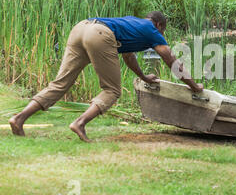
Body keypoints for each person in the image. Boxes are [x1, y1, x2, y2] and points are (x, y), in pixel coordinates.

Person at [9, 12, 203, 142]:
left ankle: (18, 119)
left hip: (81, 28)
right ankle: (79, 123)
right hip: (99, 34)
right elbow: (171, 60)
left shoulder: (133, 24)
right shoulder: (153, 30)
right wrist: (194, 86)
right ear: (159, 25)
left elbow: (129, 57)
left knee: (60, 84)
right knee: (112, 90)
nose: (162, 34)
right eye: (163, 31)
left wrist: (144, 77)